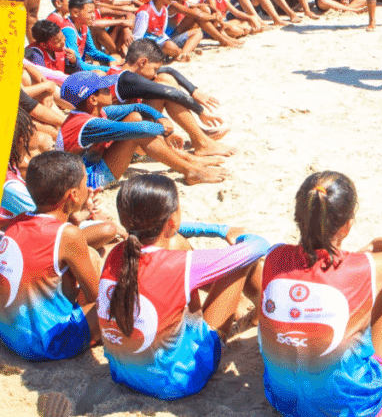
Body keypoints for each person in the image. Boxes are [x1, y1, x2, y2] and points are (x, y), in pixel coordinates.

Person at [258, 171, 382, 417]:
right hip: (351, 407)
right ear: (347, 226)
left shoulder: (274, 256)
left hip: (282, 401)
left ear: (298, 217)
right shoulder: (364, 266)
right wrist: (381, 243)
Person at [98, 174, 269, 400]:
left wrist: (219, 229)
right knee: (240, 263)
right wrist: (233, 233)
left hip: (123, 373)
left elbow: (169, 231)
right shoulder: (181, 265)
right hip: (177, 381)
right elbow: (258, 246)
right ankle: (259, 316)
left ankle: (218, 316)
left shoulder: (116, 253)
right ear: (172, 220)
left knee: (176, 242)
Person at [0, 151, 103, 361]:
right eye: (85, 184)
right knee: (116, 301)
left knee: (86, 258)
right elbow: (97, 297)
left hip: (9, 335)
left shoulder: (17, 221)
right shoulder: (68, 235)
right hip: (46, 343)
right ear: (73, 195)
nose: (89, 188)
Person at [57, 70, 228, 187]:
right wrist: (164, 130)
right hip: (90, 180)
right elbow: (143, 129)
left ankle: (189, 160)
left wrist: (160, 117)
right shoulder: (88, 124)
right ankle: (190, 170)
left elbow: (137, 109)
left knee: (135, 118)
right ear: (93, 100)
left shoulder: (94, 112)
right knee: (138, 131)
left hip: (95, 163)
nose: (110, 91)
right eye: (104, 90)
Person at [117, 38, 235, 157]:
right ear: (142, 62)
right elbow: (172, 93)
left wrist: (193, 90)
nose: (155, 74)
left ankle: (198, 135)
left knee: (165, 78)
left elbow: (168, 70)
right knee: (165, 90)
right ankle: (201, 142)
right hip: (128, 147)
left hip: (133, 134)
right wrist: (200, 111)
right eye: (154, 69)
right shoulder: (128, 80)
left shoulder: (123, 72)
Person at [133, 0, 203, 61]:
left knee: (197, 32)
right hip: (150, 47)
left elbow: (161, 33)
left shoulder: (164, 10)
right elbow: (137, 39)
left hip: (162, 42)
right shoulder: (145, 12)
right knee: (168, 46)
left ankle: (182, 54)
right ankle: (181, 54)